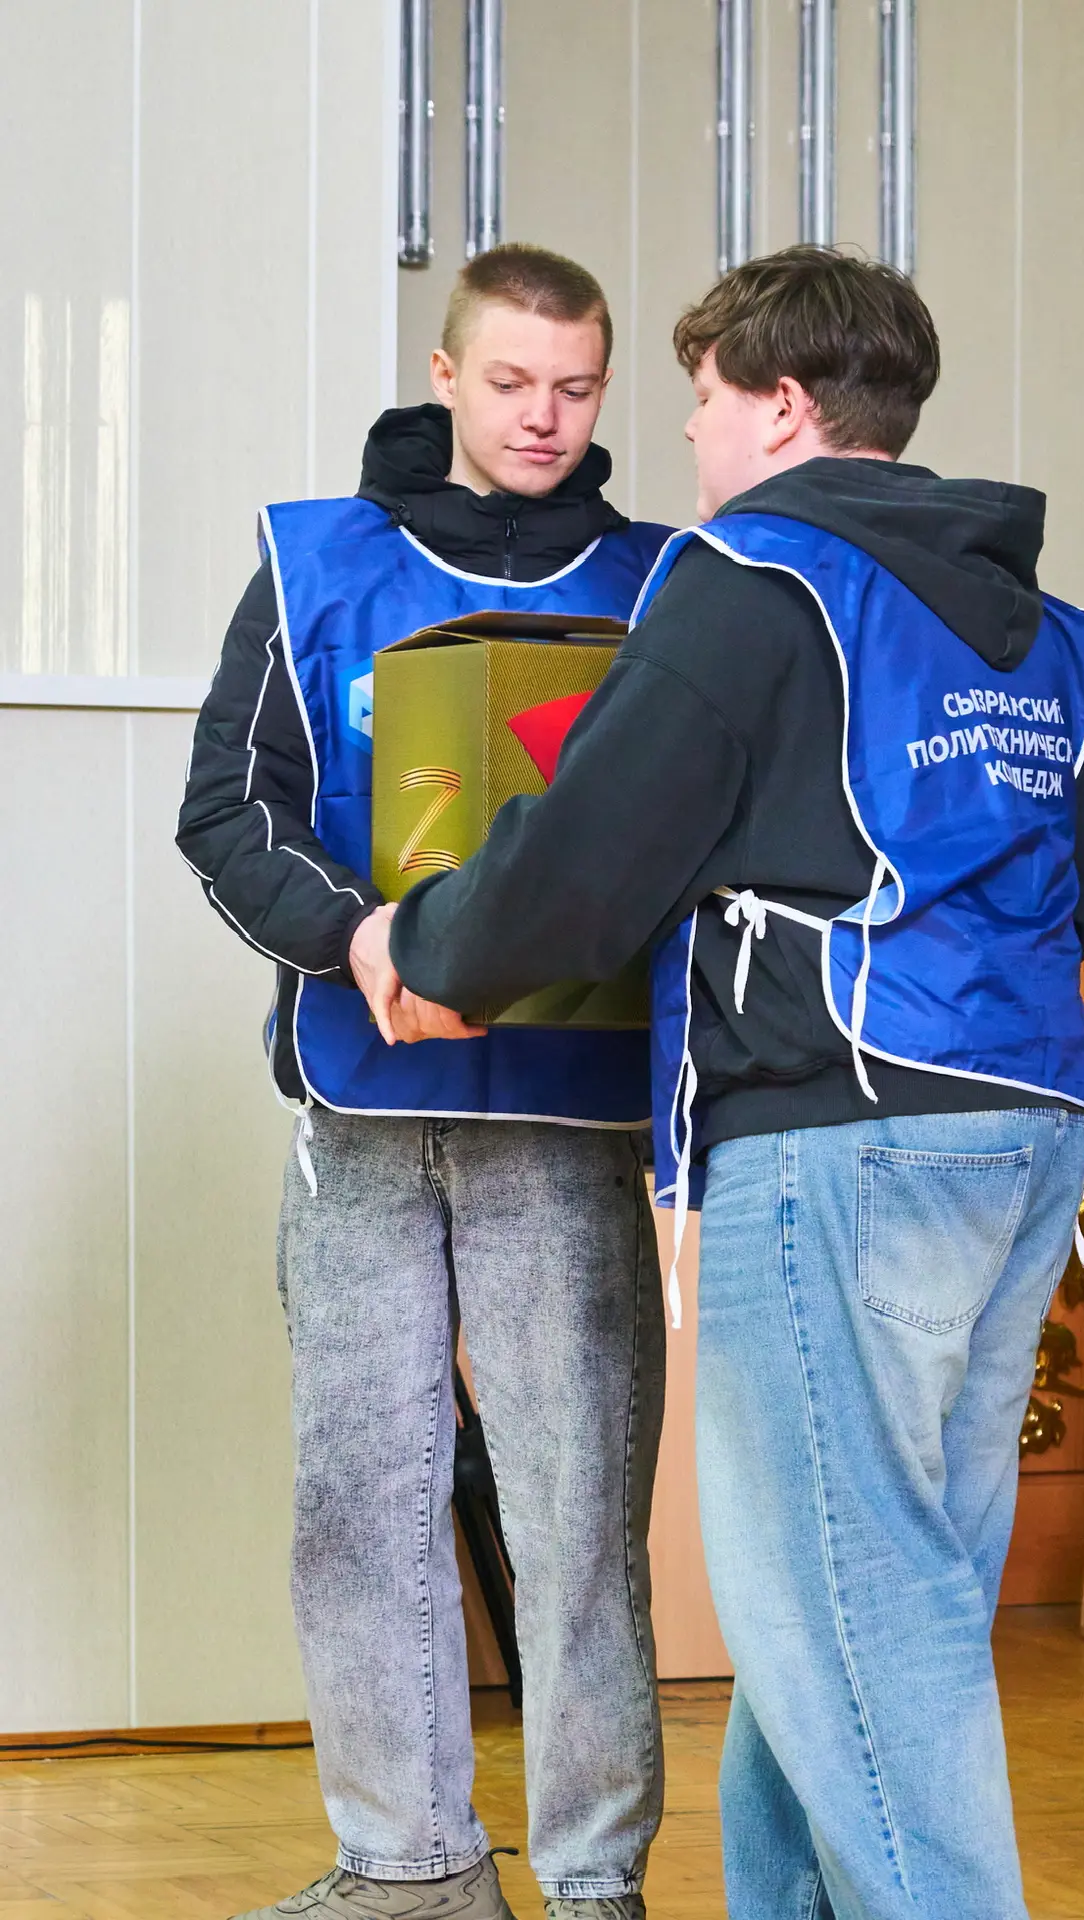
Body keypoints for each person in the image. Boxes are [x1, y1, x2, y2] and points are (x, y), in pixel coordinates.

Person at [364, 246, 1084, 1920]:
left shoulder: (753, 576)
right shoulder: (1029, 621)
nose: (691, 437)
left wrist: (424, 944)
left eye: (703, 402)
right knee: (868, 1593)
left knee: (846, 1610)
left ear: (782, 408)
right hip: (1025, 1132)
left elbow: (588, 860)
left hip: (840, 1136)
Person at [176, 244, 669, 1920]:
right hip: (363, 1108)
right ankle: (409, 1868)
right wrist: (360, 936)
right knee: (358, 1500)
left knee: (579, 1511)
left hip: (570, 1118)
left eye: (577, 389)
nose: (544, 418)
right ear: (446, 374)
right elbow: (226, 811)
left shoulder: (666, 584)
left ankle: (594, 1881)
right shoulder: (311, 559)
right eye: (512, 382)